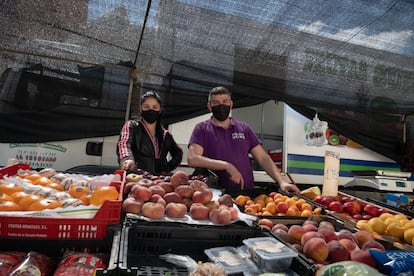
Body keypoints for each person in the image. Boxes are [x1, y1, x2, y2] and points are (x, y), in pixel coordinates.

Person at [187, 86, 300, 194]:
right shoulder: (202, 129)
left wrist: (282, 181)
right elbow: (192, 159)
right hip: (216, 195)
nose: (221, 105)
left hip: (245, 193)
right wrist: (226, 165)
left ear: (231, 104)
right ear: (209, 106)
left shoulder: (243, 128)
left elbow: (263, 158)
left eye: (225, 101)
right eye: (216, 103)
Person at [117, 91, 183, 175]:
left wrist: (166, 169)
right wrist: (127, 158)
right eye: (146, 107)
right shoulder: (132, 126)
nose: (151, 110)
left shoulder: (165, 135)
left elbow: (178, 153)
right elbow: (124, 143)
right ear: (141, 108)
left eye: (155, 107)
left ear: (160, 110)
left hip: (159, 182)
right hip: (136, 177)